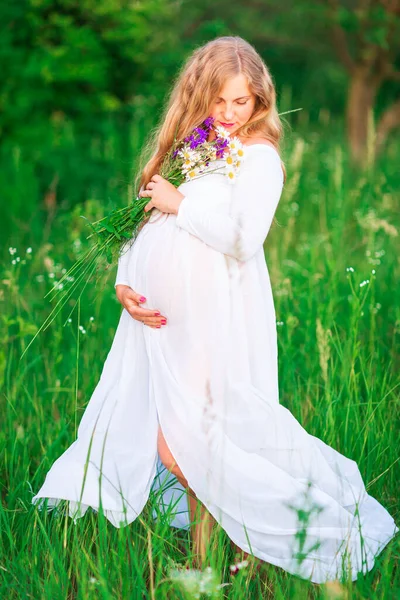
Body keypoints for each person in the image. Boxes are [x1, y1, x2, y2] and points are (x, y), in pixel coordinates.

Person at [32, 36, 398, 584]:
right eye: (218, 101)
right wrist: (126, 281)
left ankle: (242, 546)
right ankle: (215, 556)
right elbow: (146, 220)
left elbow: (242, 238)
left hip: (213, 323)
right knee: (180, 442)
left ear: (260, 103)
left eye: (241, 103)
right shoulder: (195, 147)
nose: (228, 114)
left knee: (192, 444)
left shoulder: (259, 159)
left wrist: (182, 204)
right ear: (197, 96)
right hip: (160, 327)